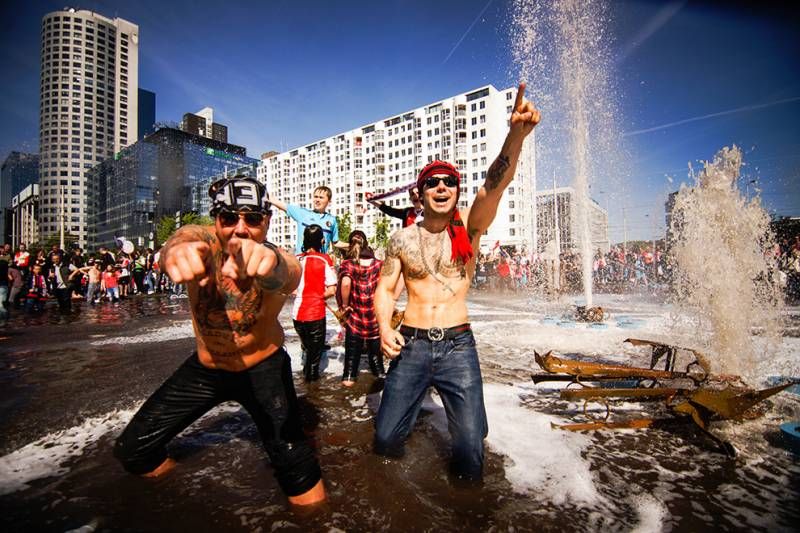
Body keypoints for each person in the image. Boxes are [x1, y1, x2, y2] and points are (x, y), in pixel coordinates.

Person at [113, 175, 325, 507]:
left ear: (267, 221)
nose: (240, 229)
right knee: (133, 450)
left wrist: (270, 265)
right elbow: (185, 237)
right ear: (215, 220)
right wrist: (173, 250)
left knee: (297, 473)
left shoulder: (274, 257)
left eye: (252, 219)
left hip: (263, 369)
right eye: (228, 218)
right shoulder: (202, 246)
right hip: (206, 369)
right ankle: (179, 501)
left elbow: (289, 273)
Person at [373, 83, 540, 481]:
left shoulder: (469, 226)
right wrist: (384, 327)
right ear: (420, 194)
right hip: (411, 344)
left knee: (469, 448)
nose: (442, 187)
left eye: (449, 181)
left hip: (457, 345)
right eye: (433, 182)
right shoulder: (401, 240)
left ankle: (468, 501)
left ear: (456, 191)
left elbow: (495, 184)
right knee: (385, 439)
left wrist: (515, 135)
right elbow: (385, 289)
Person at [337, 230, 384, 386]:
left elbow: (345, 284)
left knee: (351, 356)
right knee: (376, 355)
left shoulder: (348, 264)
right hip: (374, 316)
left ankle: (349, 378)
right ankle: (379, 377)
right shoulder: (379, 264)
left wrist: (344, 305)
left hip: (355, 316)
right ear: (366, 244)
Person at [292, 224, 337, 382]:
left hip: (297, 315)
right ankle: (312, 390)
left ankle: (304, 384)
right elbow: (332, 290)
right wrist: (319, 297)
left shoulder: (297, 259)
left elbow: (290, 288)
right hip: (315, 315)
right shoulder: (324, 259)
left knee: (307, 350)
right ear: (322, 240)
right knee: (314, 361)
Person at [269, 186, 340, 254]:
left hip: (320, 260)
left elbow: (336, 242)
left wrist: (347, 245)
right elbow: (277, 202)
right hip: (302, 260)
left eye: (321, 197)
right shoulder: (302, 214)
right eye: (316, 197)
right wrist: (264, 193)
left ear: (329, 201)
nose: (317, 200)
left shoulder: (332, 220)